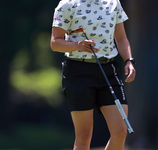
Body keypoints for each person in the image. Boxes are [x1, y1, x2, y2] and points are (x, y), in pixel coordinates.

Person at [50, 0, 136, 149]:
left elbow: (121, 38)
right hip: (78, 72)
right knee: (84, 137)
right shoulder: (67, 4)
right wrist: (77, 45)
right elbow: (55, 42)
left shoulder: (113, 3)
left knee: (121, 131)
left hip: (109, 71)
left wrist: (129, 60)